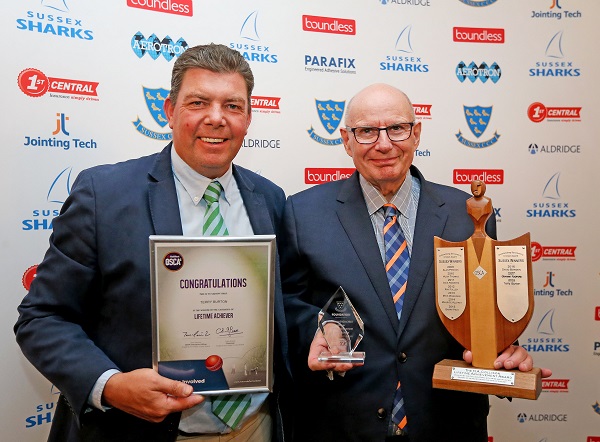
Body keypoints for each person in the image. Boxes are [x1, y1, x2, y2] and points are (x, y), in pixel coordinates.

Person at [15, 43, 291, 442]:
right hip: (137, 431)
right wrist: (109, 385)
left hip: (254, 426)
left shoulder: (272, 200)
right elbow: (41, 317)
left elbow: (286, 308)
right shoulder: (103, 195)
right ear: (170, 110)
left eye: (232, 106)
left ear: (248, 117)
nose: (216, 119)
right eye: (198, 102)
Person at [279, 83, 551, 442]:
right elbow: (286, 305)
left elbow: (486, 311)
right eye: (366, 132)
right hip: (343, 423)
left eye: (396, 128)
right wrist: (316, 329)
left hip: (447, 422)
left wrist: (501, 352)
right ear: (346, 140)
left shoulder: (465, 214)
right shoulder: (303, 213)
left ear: (416, 132)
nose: (384, 144)